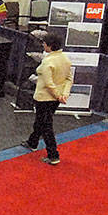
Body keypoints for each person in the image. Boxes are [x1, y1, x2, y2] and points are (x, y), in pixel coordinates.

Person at [20, 31, 72, 164]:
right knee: (41, 121)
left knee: (46, 125)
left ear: (49, 46)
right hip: (56, 99)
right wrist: (63, 95)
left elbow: (48, 83)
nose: (42, 45)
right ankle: (33, 142)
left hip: (44, 98)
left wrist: (58, 95)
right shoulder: (65, 59)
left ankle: (53, 155)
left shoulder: (48, 61)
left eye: (44, 43)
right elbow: (69, 79)